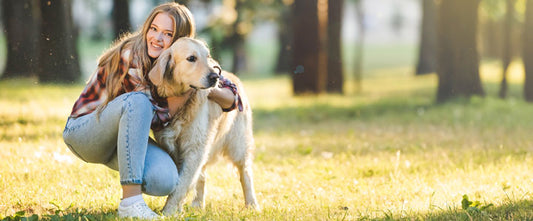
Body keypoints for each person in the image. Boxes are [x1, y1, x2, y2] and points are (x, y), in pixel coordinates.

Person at [62, 3, 241, 219]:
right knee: (139, 103)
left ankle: (136, 198)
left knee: (165, 179)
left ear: (179, 42)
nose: (156, 38)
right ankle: (130, 202)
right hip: (85, 132)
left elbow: (231, 96)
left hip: (120, 139)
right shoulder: (133, 57)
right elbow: (158, 115)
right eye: (153, 29)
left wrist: (205, 84)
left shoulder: (181, 59)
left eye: (167, 34)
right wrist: (193, 89)